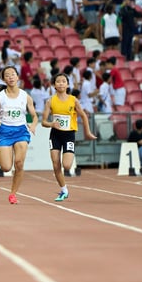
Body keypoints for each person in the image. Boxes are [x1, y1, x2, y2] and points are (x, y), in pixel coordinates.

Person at [0, 66, 40, 205]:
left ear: (17, 77)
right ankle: (4, 153)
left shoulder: (25, 96)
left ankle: (13, 194)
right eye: (7, 75)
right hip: (5, 131)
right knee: (6, 167)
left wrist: (33, 125)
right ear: (4, 79)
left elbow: (34, 116)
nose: (10, 77)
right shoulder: (0, 97)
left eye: (13, 74)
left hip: (21, 131)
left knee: (19, 163)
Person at [42, 73, 97, 202]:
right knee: (56, 164)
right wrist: (51, 124)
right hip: (55, 134)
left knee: (66, 166)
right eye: (58, 81)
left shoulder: (73, 100)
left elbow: (83, 116)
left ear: (67, 84)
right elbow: (43, 122)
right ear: (54, 85)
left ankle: (68, 158)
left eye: (63, 81)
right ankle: (64, 190)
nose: (61, 83)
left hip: (68, 134)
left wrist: (87, 132)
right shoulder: (50, 101)